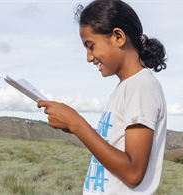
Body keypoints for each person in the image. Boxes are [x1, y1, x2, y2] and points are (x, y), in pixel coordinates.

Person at [37, 0, 167, 194]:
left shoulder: (140, 86)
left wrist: (77, 124)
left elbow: (133, 173)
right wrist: (74, 126)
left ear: (118, 37)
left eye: (91, 46)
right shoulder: (126, 87)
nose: (89, 57)